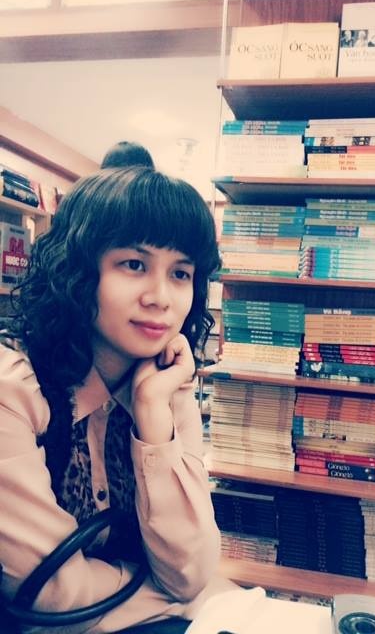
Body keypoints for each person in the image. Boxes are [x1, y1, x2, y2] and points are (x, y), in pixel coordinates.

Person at [0, 167, 233, 633]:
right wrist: (169, 598)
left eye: (181, 273)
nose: (160, 298)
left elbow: (190, 572)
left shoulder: (167, 384)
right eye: (134, 265)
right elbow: (48, 594)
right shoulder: (16, 388)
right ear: (77, 269)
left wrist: (152, 416)